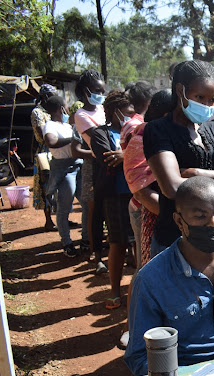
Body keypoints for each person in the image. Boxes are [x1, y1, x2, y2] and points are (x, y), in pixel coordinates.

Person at [125, 176, 214, 376]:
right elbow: (140, 356)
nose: (213, 224)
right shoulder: (152, 279)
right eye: (200, 216)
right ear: (179, 221)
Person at [144, 60, 214, 257]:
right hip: (178, 239)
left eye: (212, 100)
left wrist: (194, 173)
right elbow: (172, 187)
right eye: (200, 97)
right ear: (180, 91)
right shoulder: (158, 130)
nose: (207, 105)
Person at [89, 91, 136, 310]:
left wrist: (124, 155)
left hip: (138, 193)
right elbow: (107, 159)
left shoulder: (137, 129)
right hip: (115, 195)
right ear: (115, 111)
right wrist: (131, 155)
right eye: (127, 113)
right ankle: (115, 291)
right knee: (118, 243)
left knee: (139, 244)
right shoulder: (100, 133)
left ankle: (137, 292)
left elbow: (142, 153)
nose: (131, 116)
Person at [74, 69, 109, 274]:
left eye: (103, 91)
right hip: (97, 165)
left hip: (111, 161)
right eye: (97, 91)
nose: (101, 95)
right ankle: (98, 256)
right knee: (96, 212)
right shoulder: (81, 115)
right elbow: (99, 139)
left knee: (112, 210)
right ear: (86, 91)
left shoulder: (103, 108)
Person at [42, 96, 85, 257]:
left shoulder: (66, 125)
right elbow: (51, 141)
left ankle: (86, 239)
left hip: (78, 165)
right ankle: (67, 243)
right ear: (61, 108)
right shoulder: (50, 126)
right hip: (64, 168)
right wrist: (72, 139)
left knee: (86, 202)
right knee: (64, 207)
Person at [122, 81, 156, 271]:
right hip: (140, 195)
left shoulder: (133, 123)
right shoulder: (136, 125)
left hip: (138, 190)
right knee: (145, 265)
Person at [31, 83, 57, 232]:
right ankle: (48, 221)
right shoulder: (38, 113)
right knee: (46, 186)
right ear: (46, 96)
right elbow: (43, 135)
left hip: (56, 150)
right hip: (45, 152)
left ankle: (62, 218)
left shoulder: (51, 111)